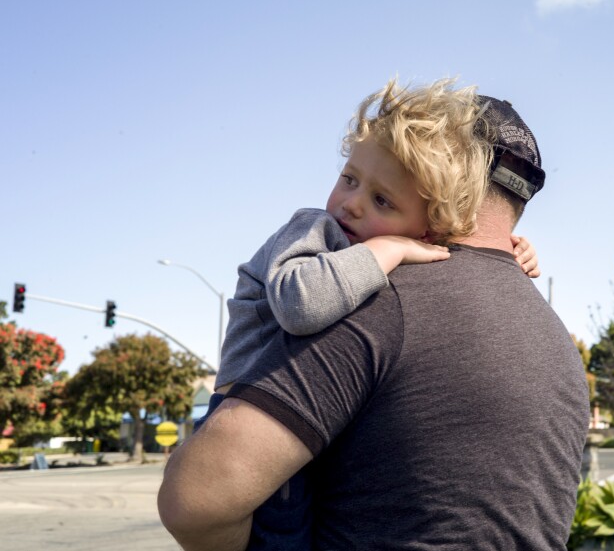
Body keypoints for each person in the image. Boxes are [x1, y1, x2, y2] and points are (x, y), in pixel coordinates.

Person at [158, 94, 590, 551]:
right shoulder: (554, 338)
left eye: (384, 198)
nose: (352, 205)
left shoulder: (381, 299)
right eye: (348, 179)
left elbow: (197, 500)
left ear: (439, 212)